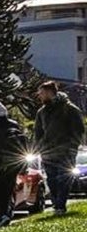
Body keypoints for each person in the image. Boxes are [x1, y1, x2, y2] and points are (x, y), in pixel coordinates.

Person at [33, 80, 83, 217]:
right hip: (47, 153)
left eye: (42, 93)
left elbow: (78, 130)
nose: (40, 96)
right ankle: (57, 204)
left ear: (50, 92)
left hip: (66, 152)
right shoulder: (41, 112)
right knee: (51, 180)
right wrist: (39, 147)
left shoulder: (69, 109)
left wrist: (72, 146)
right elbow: (38, 132)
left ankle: (60, 205)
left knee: (63, 179)